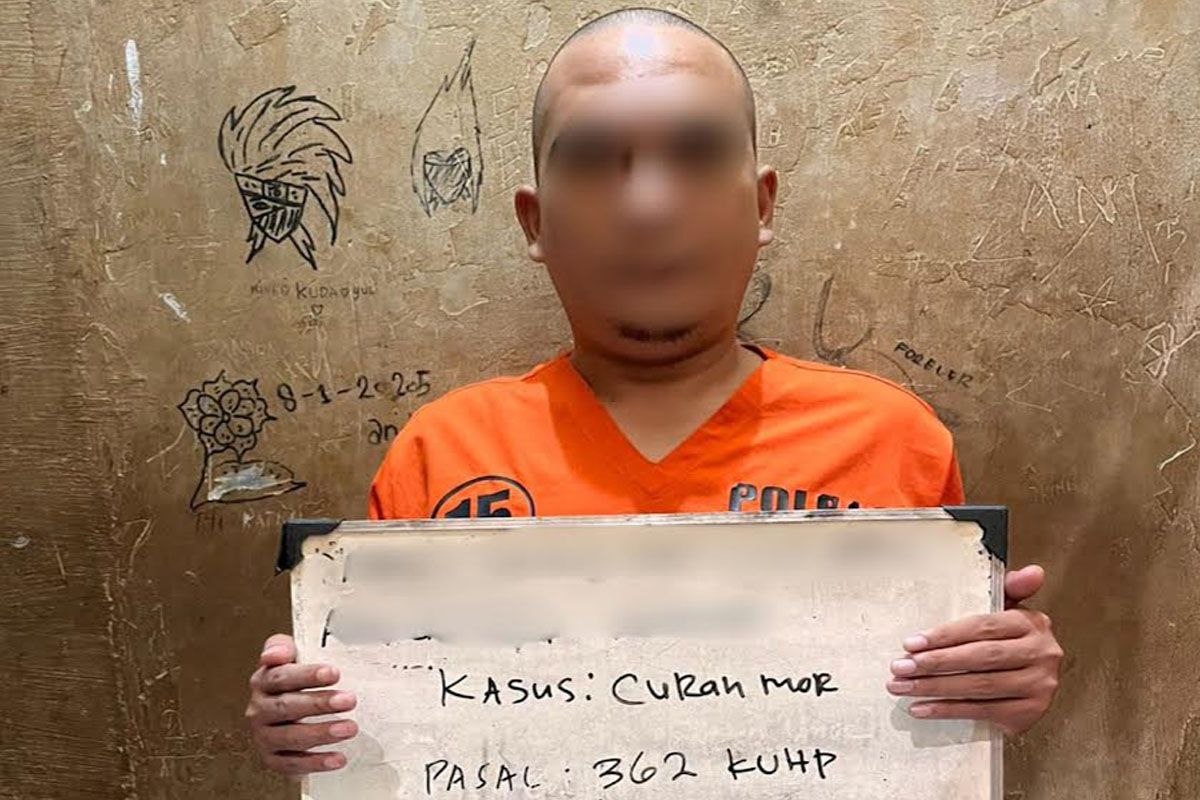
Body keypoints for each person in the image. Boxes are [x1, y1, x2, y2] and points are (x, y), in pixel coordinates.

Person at [245, 8, 1063, 776]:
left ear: (762, 204)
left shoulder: (889, 439)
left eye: (698, 154)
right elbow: (394, 727)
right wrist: (315, 723)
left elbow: (932, 715)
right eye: (592, 160)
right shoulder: (444, 453)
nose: (648, 204)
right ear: (535, 222)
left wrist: (997, 680)